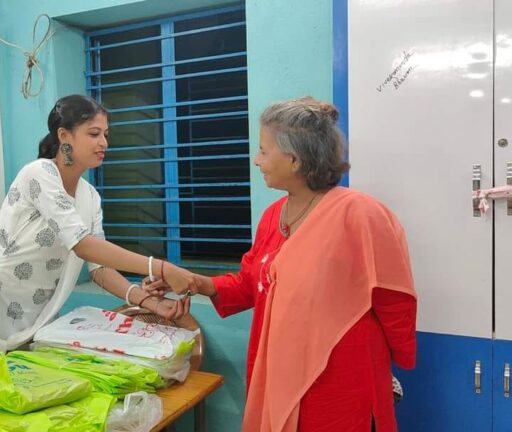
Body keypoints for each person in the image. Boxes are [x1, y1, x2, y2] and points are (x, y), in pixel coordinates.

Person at [144, 97, 417, 431]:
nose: (256, 160)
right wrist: (197, 282)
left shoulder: (360, 214)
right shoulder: (274, 216)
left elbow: (393, 297)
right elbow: (252, 283)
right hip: (279, 366)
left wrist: (393, 362)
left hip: (340, 373)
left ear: (295, 159)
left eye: (263, 150)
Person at [0, 94, 198, 352]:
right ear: (64, 136)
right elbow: (82, 245)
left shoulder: (90, 197)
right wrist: (161, 268)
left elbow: (99, 268)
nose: (103, 142)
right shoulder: (39, 174)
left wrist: (149, 302)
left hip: (42, 313)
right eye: (94, 134)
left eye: (105, 134)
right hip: (1, 306)